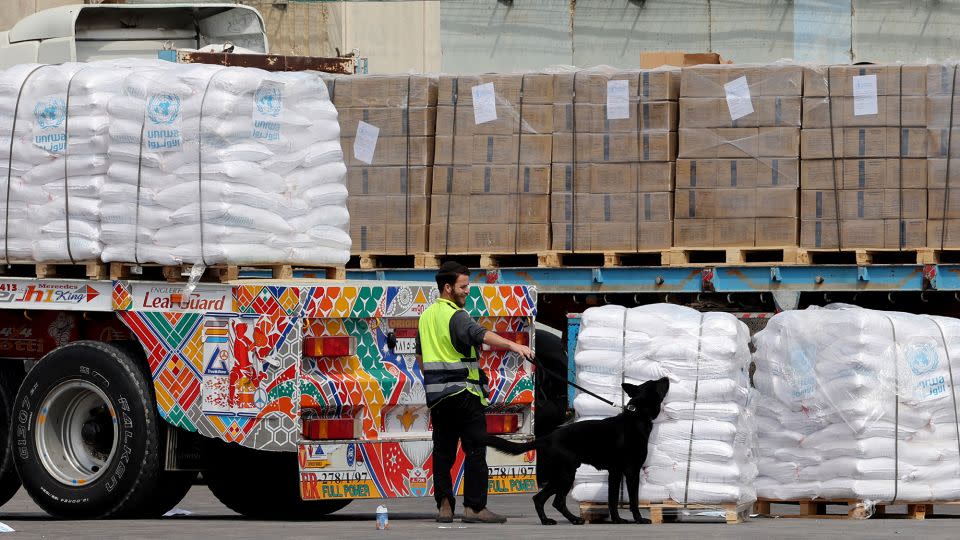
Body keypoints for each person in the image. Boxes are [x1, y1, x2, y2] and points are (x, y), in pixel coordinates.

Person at [415, 261, 535, 524]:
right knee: (475, 449)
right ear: (448, 288)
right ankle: (475, 508)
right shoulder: (456, 316)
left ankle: (445, 506)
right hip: (465, 393)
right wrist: (514, 347)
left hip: (438, 397)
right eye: (463, 286)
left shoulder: (425, 317)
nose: (468, 291)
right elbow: (481, 335)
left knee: (443, 452)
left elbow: (421, 360)